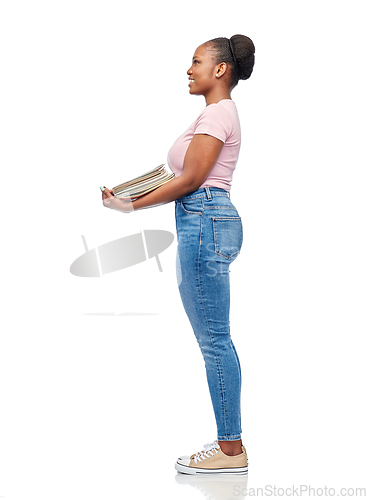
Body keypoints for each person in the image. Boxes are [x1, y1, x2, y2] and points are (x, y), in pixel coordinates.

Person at [102, 34, 255, 475]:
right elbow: (186, 177)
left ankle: (231, 451)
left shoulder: (217, 113)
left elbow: (191, 180)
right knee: (216, 338)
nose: (189, 70)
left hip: (204, 219)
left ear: (220, 70)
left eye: (196, 62)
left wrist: (130, 205)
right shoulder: (216, 114)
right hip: (207, 219)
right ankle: (230, 444)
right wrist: (130, 193)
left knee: (214, 340)